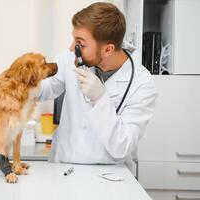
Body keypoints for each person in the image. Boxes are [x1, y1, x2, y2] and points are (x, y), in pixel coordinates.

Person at [39, 2, 157, 173]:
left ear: (108, 49)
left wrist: (101, 99)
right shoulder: (69, 59)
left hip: (109, 175)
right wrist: (22, 83)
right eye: (74, 39)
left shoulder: (142, 84)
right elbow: (44, 88)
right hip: (63, 168)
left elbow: (122, 145)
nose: (72, 48)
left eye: (81, 43)